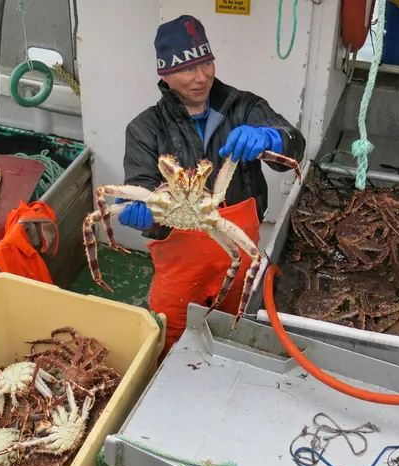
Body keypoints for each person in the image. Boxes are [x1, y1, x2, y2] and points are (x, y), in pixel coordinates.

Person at [119, 14, 306, 358]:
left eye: (206, 63)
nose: (201, 77)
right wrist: (147, 217)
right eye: (187, 69)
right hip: (178, 265)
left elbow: (296, 145)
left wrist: (272, 138)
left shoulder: (244, 107)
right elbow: (141, 188)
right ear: (164, 73)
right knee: (168, 338)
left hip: (234, 248)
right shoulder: (145, 129)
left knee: (238, 334)